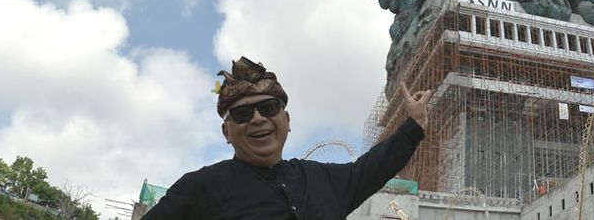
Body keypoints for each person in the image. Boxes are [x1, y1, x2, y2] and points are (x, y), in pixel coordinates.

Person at [143, 56, 431, 219]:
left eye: (269, 108)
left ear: (287, 120)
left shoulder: (325, 181)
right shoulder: (200, 188)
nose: (258, 118)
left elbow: (376, 166)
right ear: (226, 132)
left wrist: (414, 124)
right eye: (242, 114)